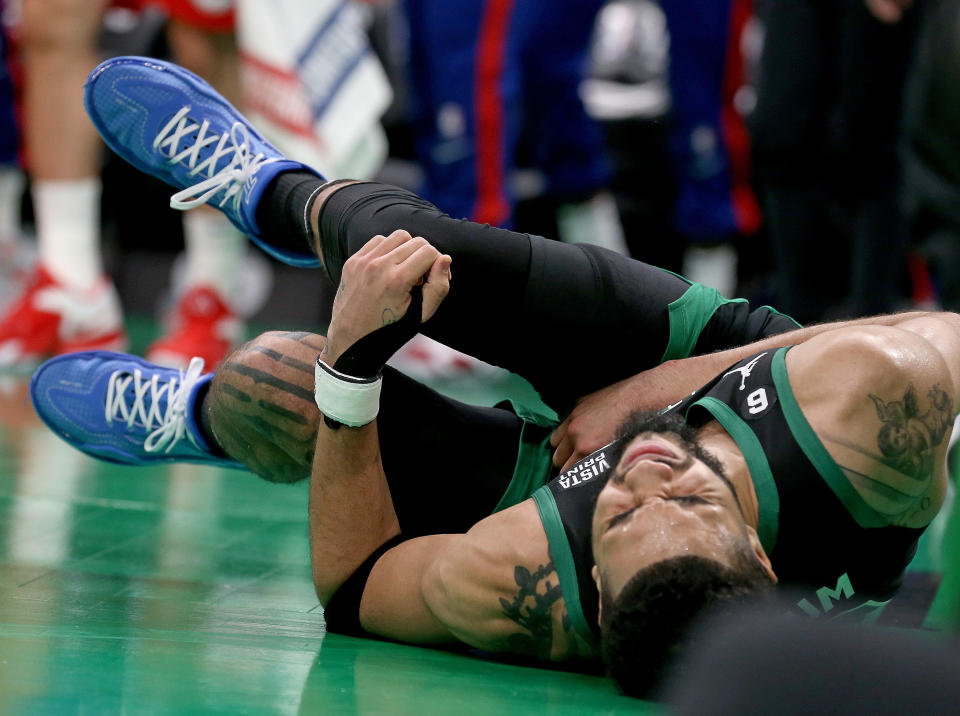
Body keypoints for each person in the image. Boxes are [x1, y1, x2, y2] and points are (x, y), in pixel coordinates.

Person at [31, 56, 959, 697]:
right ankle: (278, 195)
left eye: (627, 518)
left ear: (591, 591)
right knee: (416, 256)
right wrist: (650, 391)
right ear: (759, 555)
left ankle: (202, 418)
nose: (646, 478)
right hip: (718, 370)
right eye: (690, 501)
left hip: (544, 492)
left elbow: (355, 586)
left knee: (280, 386)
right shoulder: (866, 413)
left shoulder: (534, 587)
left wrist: (349, 368)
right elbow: (945, 331)